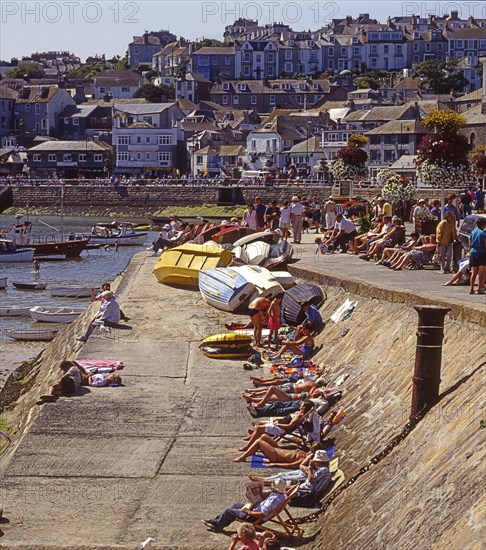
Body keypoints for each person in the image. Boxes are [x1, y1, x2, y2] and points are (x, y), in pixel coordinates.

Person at [201, 478, 289, 532]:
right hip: (256, 512)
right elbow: (265, 498)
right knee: (236, 505)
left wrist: (248, 512)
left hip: (253, 517)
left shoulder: (274, 499)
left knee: (229, 511)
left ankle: (217, 525)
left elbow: (262, 514)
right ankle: (215, 521)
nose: (270, 487)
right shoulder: (282, 495)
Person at [469, 217, 486, 295]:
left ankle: (471, 288)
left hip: (473, 252)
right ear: (483, 225)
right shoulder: (483, 233)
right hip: (481, 253)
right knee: (481, 272)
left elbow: (470, 243)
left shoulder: (473, 232)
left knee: (474, 272)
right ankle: (479, 289)